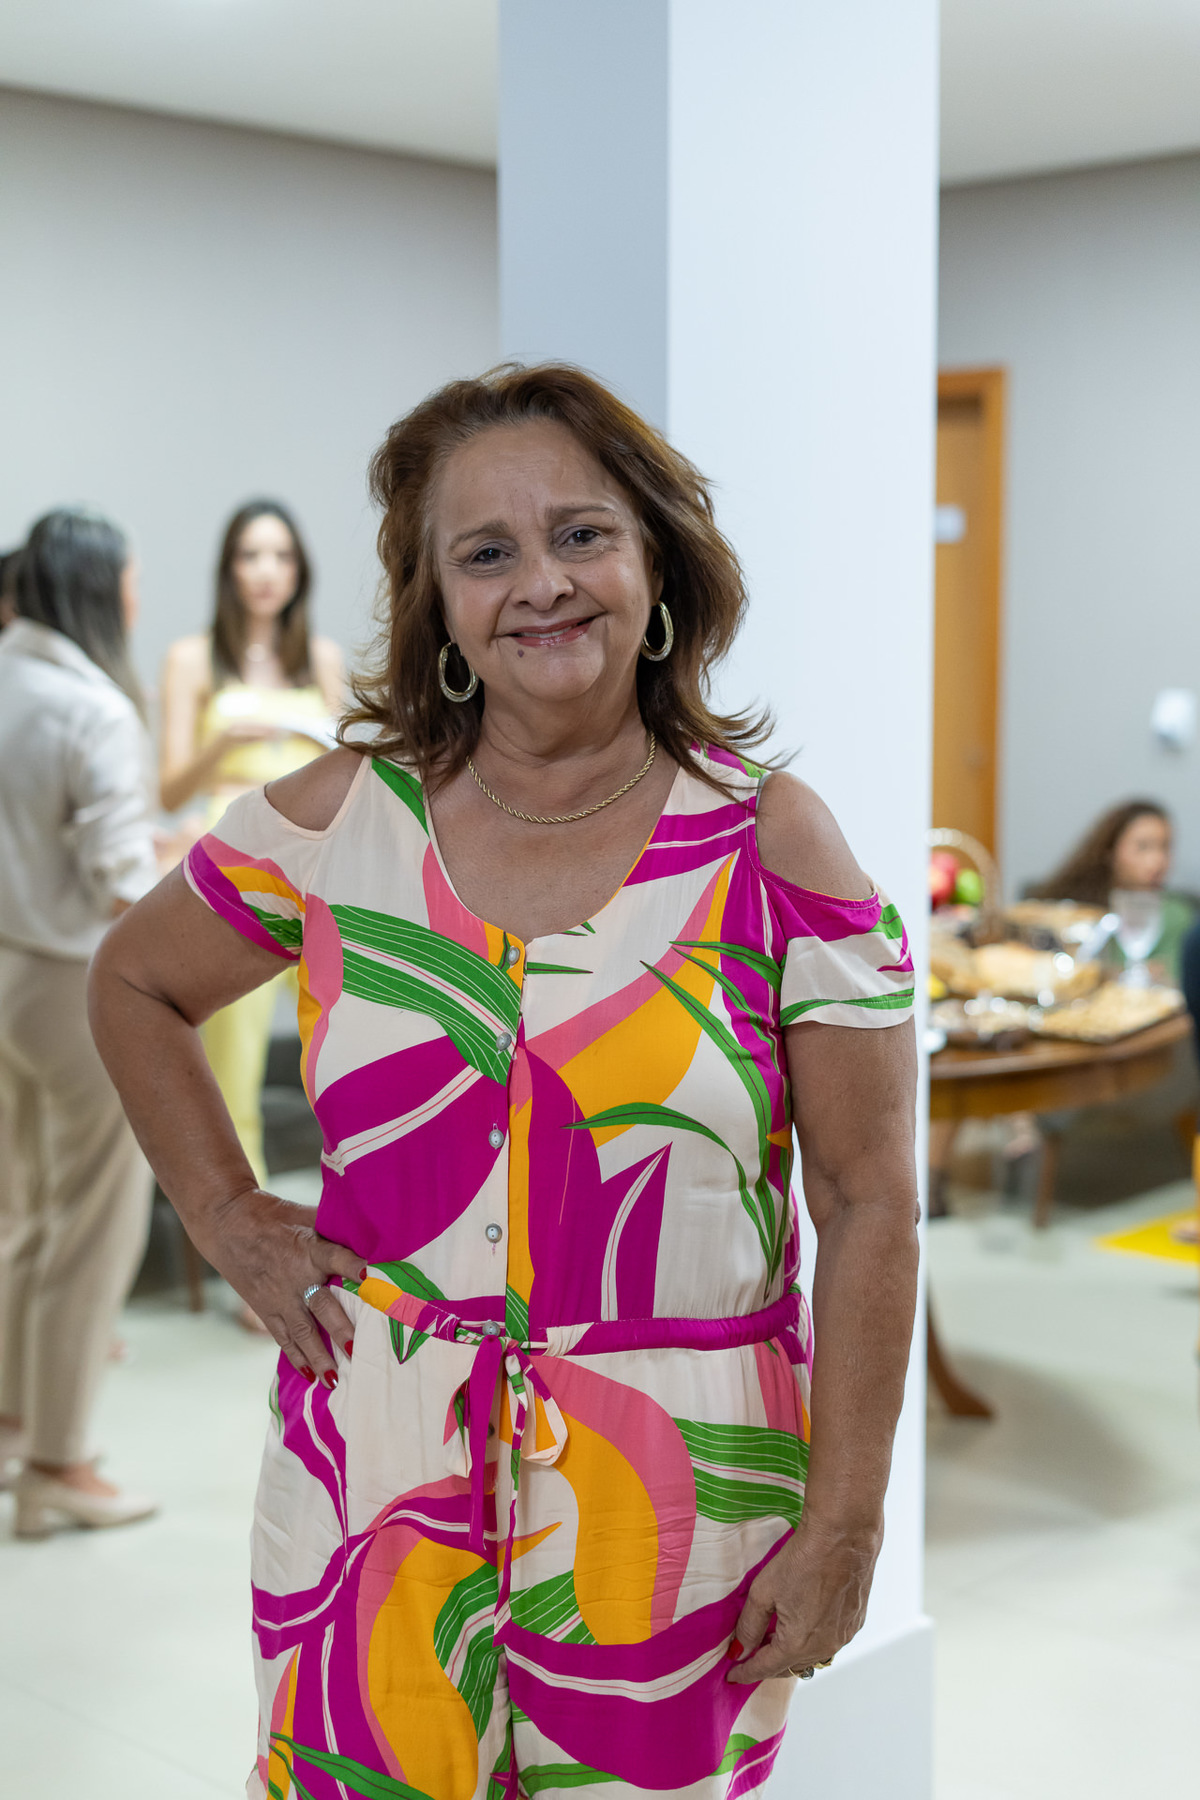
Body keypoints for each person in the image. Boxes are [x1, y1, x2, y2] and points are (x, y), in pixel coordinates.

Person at [90, 365, 919, 1798]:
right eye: (487, 552)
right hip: (373, 1479)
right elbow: (131, 981)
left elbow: (871, 1201)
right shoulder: (341, 825)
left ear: (658, 563)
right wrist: (225, 1213)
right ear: (441, 606)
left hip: (679, 1499)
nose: (542, 582)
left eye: (581, 534)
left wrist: (845, 1521)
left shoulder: (772, 844)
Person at [0, 508, 159, 1533]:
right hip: (66, 983)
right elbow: (120, 879)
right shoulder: (91, 708)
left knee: (24, 1215)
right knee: (96, 1218)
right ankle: (58, 1464)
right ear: (99, 588)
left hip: (4, 974)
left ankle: (14, 1422)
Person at [158, 501, 344, 1211]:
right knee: (233, 1062)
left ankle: (353, 1219)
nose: (267, 571)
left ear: (300, 571)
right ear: (228, 568)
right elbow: (169, 787)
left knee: (344, 1045)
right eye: (251, 555)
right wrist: (226, 743)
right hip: (234, 859)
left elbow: (347, 763)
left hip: (318, 859)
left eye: (281, 556)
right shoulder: (192, 658)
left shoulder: (320, 659)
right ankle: (245, 1233)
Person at [1030, 799, 1192, 982]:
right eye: (1143, 847)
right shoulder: (1074, 910)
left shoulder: (1177, 914)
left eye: (1165, 847)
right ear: (1110, 850)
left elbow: (1177, 977)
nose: (1158, 860)